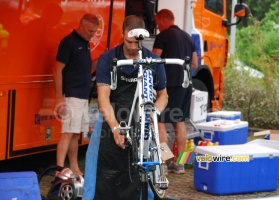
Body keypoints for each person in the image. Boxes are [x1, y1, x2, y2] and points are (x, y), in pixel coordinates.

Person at [94, 15, 168, 200]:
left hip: (142, 117)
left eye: (138, 43)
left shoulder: (153, 61)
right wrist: (115, 127)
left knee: (137, 174)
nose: (134, 47)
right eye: (129, 42)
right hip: (113, 115)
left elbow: (163, 96)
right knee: (106, 175)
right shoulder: (108, 59)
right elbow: (103, 98)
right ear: (122, 34)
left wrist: (153, 113)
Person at [152, 9, 198, 174]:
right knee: (180, 122)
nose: (157, 27)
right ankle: (180, 164)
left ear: (164, 19)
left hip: (169, 85)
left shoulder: (163, 36)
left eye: (158, 23)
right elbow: (194, 63)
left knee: (160, 122)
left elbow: (153, 60)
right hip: (186, 85)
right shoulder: (187, 36)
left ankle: (163, 164)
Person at [53, 14, 99, 176]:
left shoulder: (85, 43)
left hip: (82, 95)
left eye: (94, 32)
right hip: (71, 94)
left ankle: (74, 167)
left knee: (75, 133)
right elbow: (57, 69)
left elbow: (86, 68)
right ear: (81, 25)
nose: (92, 35)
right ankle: (59, 170)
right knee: (67, 132)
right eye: (89, 31)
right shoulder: (69, 42)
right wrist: (59, 97)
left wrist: (99, 60)